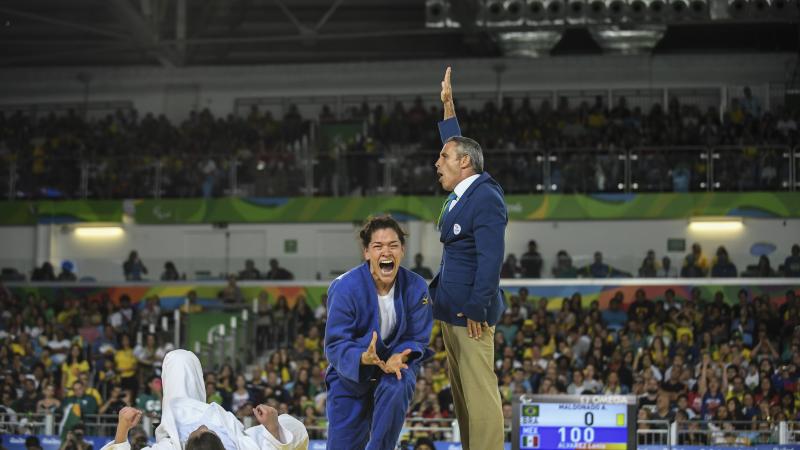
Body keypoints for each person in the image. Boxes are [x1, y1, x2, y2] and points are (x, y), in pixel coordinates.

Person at [428, 67, 506, 450]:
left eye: (444, 157)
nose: (437, 162)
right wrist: (447, 106)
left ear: (465, 164)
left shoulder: (486, 197)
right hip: (451, 312)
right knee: (463, 397)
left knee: (480, 395)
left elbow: (492, 260)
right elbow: (453, 142)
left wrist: (477, 307)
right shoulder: (465, 193)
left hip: (470, 316)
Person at [324, 215, 434, 450]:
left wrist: (400, 355)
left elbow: (418, 337)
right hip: (350, 378)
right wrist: (363, 357)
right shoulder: (344, 288)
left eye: (393, 245)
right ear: (366, 252)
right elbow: (335, 344)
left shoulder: (416, 287)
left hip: (392, 370)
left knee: (399, 380)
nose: (386, 252)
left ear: (402, 250)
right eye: (378, 246)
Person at [102, 349, 308, 450]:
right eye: (207, 431)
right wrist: (273, 429)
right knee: (290, 425)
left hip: (179, 408)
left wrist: (123, 428)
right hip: (220, 420)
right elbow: (292, 435)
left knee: (179, 360)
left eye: (197, 432)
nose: (202, 426)